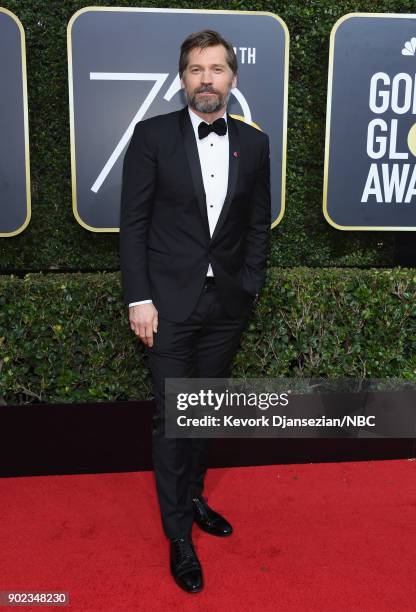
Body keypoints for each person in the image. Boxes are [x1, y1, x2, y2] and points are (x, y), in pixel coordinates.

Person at [119, 29, 271, 593]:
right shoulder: (152, 136)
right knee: (173, 415)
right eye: (195, 70)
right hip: (167, 306)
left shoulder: (254, 144)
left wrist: (249, 287)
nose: (206, 79)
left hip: (226, 303)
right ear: (181, 79)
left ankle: (194, 495)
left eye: (216, 69)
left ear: (233, 76)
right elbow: (133, 227)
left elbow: (257, 224)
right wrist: (140, 298)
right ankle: (179, 533)